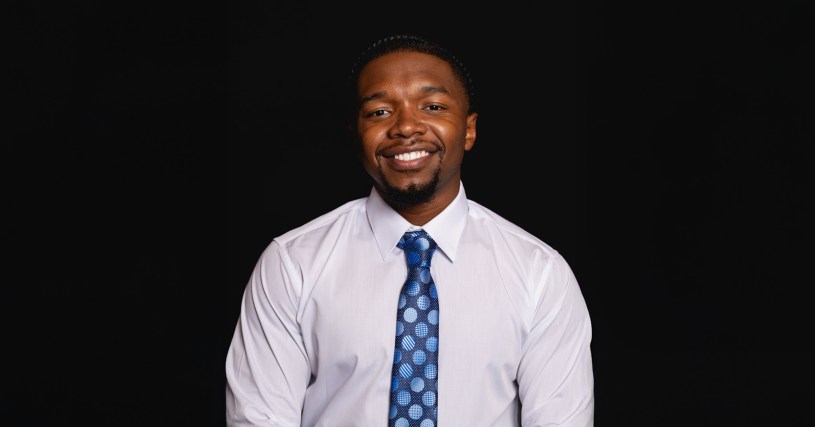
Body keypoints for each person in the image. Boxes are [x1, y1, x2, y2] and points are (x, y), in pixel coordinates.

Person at [225, 33, 594, 426]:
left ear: (469, 130)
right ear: (355, 133)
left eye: (432, 106)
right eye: (379, 112)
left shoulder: (539, 273)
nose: (405, 127)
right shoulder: (292, 264)